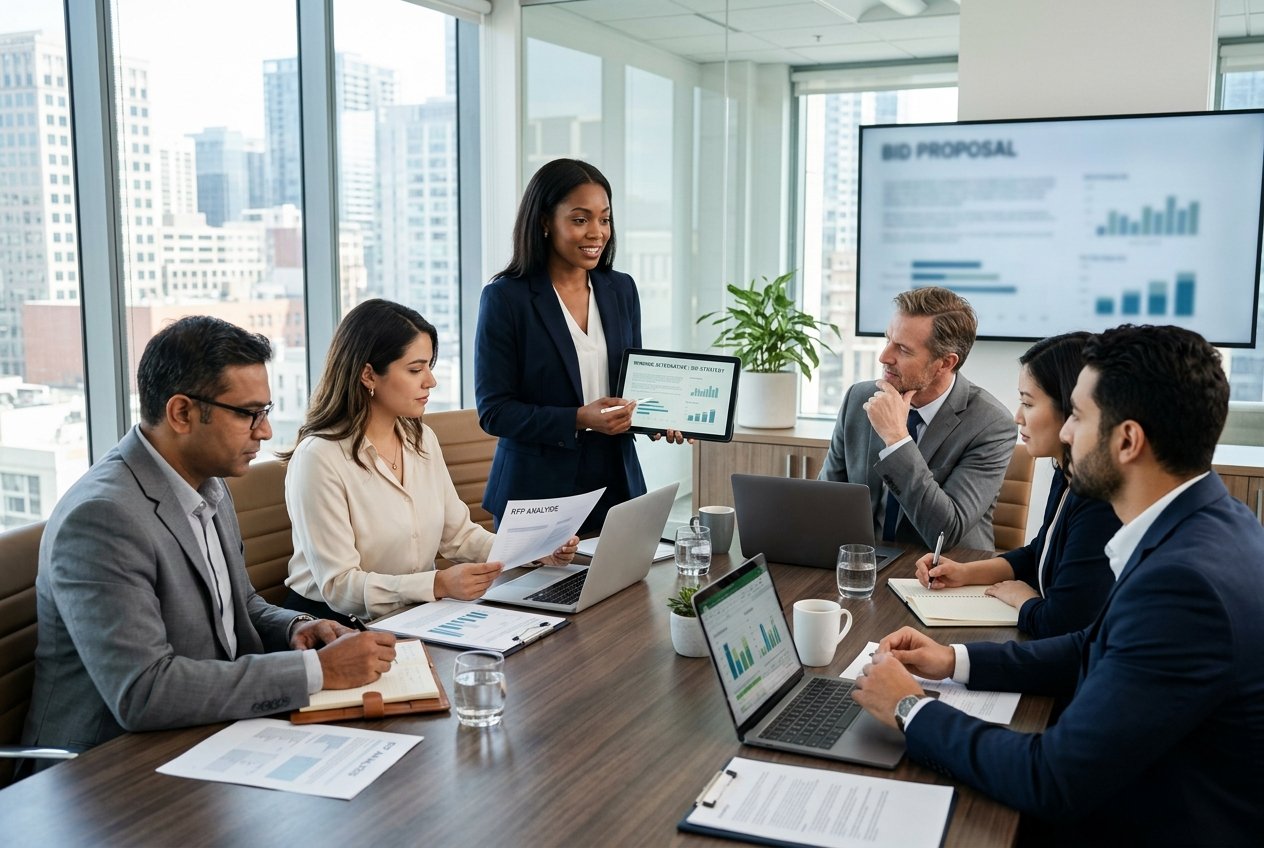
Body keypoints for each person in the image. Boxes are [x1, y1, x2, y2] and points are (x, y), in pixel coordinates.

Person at [852, 325, 1264, 846]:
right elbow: (1092, 647)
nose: (1066, 434)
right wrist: (952, 660)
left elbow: (1052, 779)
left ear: (1128, 440)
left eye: (1080, 417)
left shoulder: (1184, 586)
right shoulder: (1210, 522)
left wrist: (911, 708)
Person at [22, 316, 395, 761]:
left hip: (211, 731)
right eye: (248, 414)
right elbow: (143, 692)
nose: (265, 431)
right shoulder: (102, 518)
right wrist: (314, 671)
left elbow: (238, 605)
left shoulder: (207, 483)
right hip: (109, 768)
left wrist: (297, 628)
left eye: (266, 412)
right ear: (181, 413)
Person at [282, 299, 578, 624]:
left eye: (429, 366)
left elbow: (459, 537)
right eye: (415, 369)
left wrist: (535, 551)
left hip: (414, 613)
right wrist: (436, 584)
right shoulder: (319, 458)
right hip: (332, 626)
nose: (430, 381)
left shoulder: (421, 440)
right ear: (368, 374)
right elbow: (340, 587)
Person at [475, 158, 682, 534]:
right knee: (539, 595)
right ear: (544, 222)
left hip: (617, 487)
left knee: (625, 593)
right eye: (580, 219)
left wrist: (659, 418)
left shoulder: (621, 289)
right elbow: (494, 412)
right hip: (536, 493)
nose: (597, 233)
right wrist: (578, 419)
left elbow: (632, 386)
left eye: (604, 219)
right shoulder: (506, 298)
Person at [914, 332, 1120, 637]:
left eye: (1028, 403)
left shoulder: (1101, 497)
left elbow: (1062, 625)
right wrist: (965, 572)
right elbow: (1042, 550)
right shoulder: (1065, 469)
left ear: (1072, 407)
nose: (1017, 417)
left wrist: (1023, 599)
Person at [819, 286, 1015, 549]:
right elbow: (825, 499)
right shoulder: (860, 398)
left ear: (945, 363)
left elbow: (946, 531)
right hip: (865, 563)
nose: (884, 356)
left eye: (903, 349)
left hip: (946, 573)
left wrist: (897, 439)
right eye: (887, 339)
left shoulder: (991, 425)